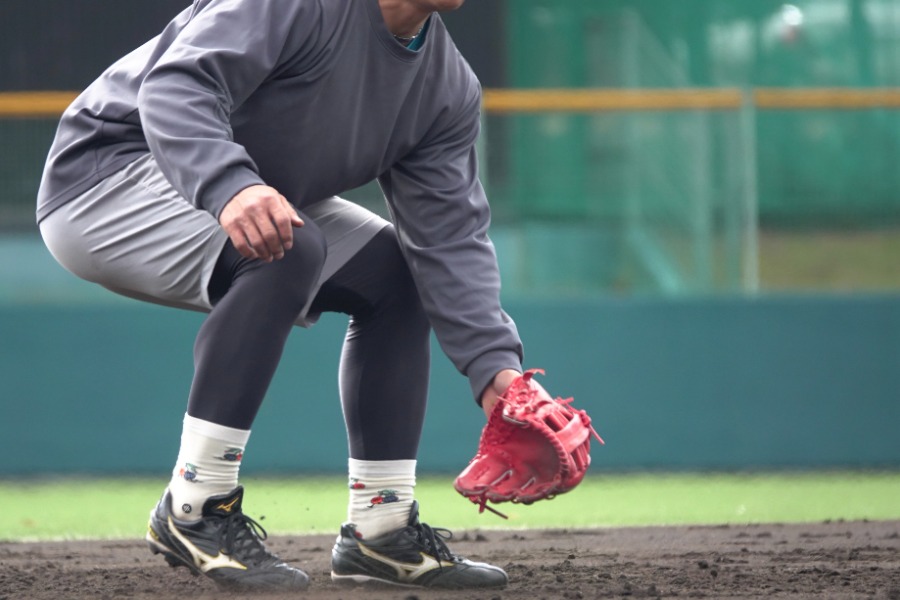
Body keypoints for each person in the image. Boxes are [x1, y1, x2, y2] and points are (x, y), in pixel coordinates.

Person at [37, 0, 524, 591]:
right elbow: (174, 86)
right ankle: (195, 506)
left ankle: (382, 529)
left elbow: (449, 239)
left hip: (245, 191)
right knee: (290, 245)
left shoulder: (447, 86)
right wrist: (229, 184)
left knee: (399, 277)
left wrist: (497, 373)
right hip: (107, 175)